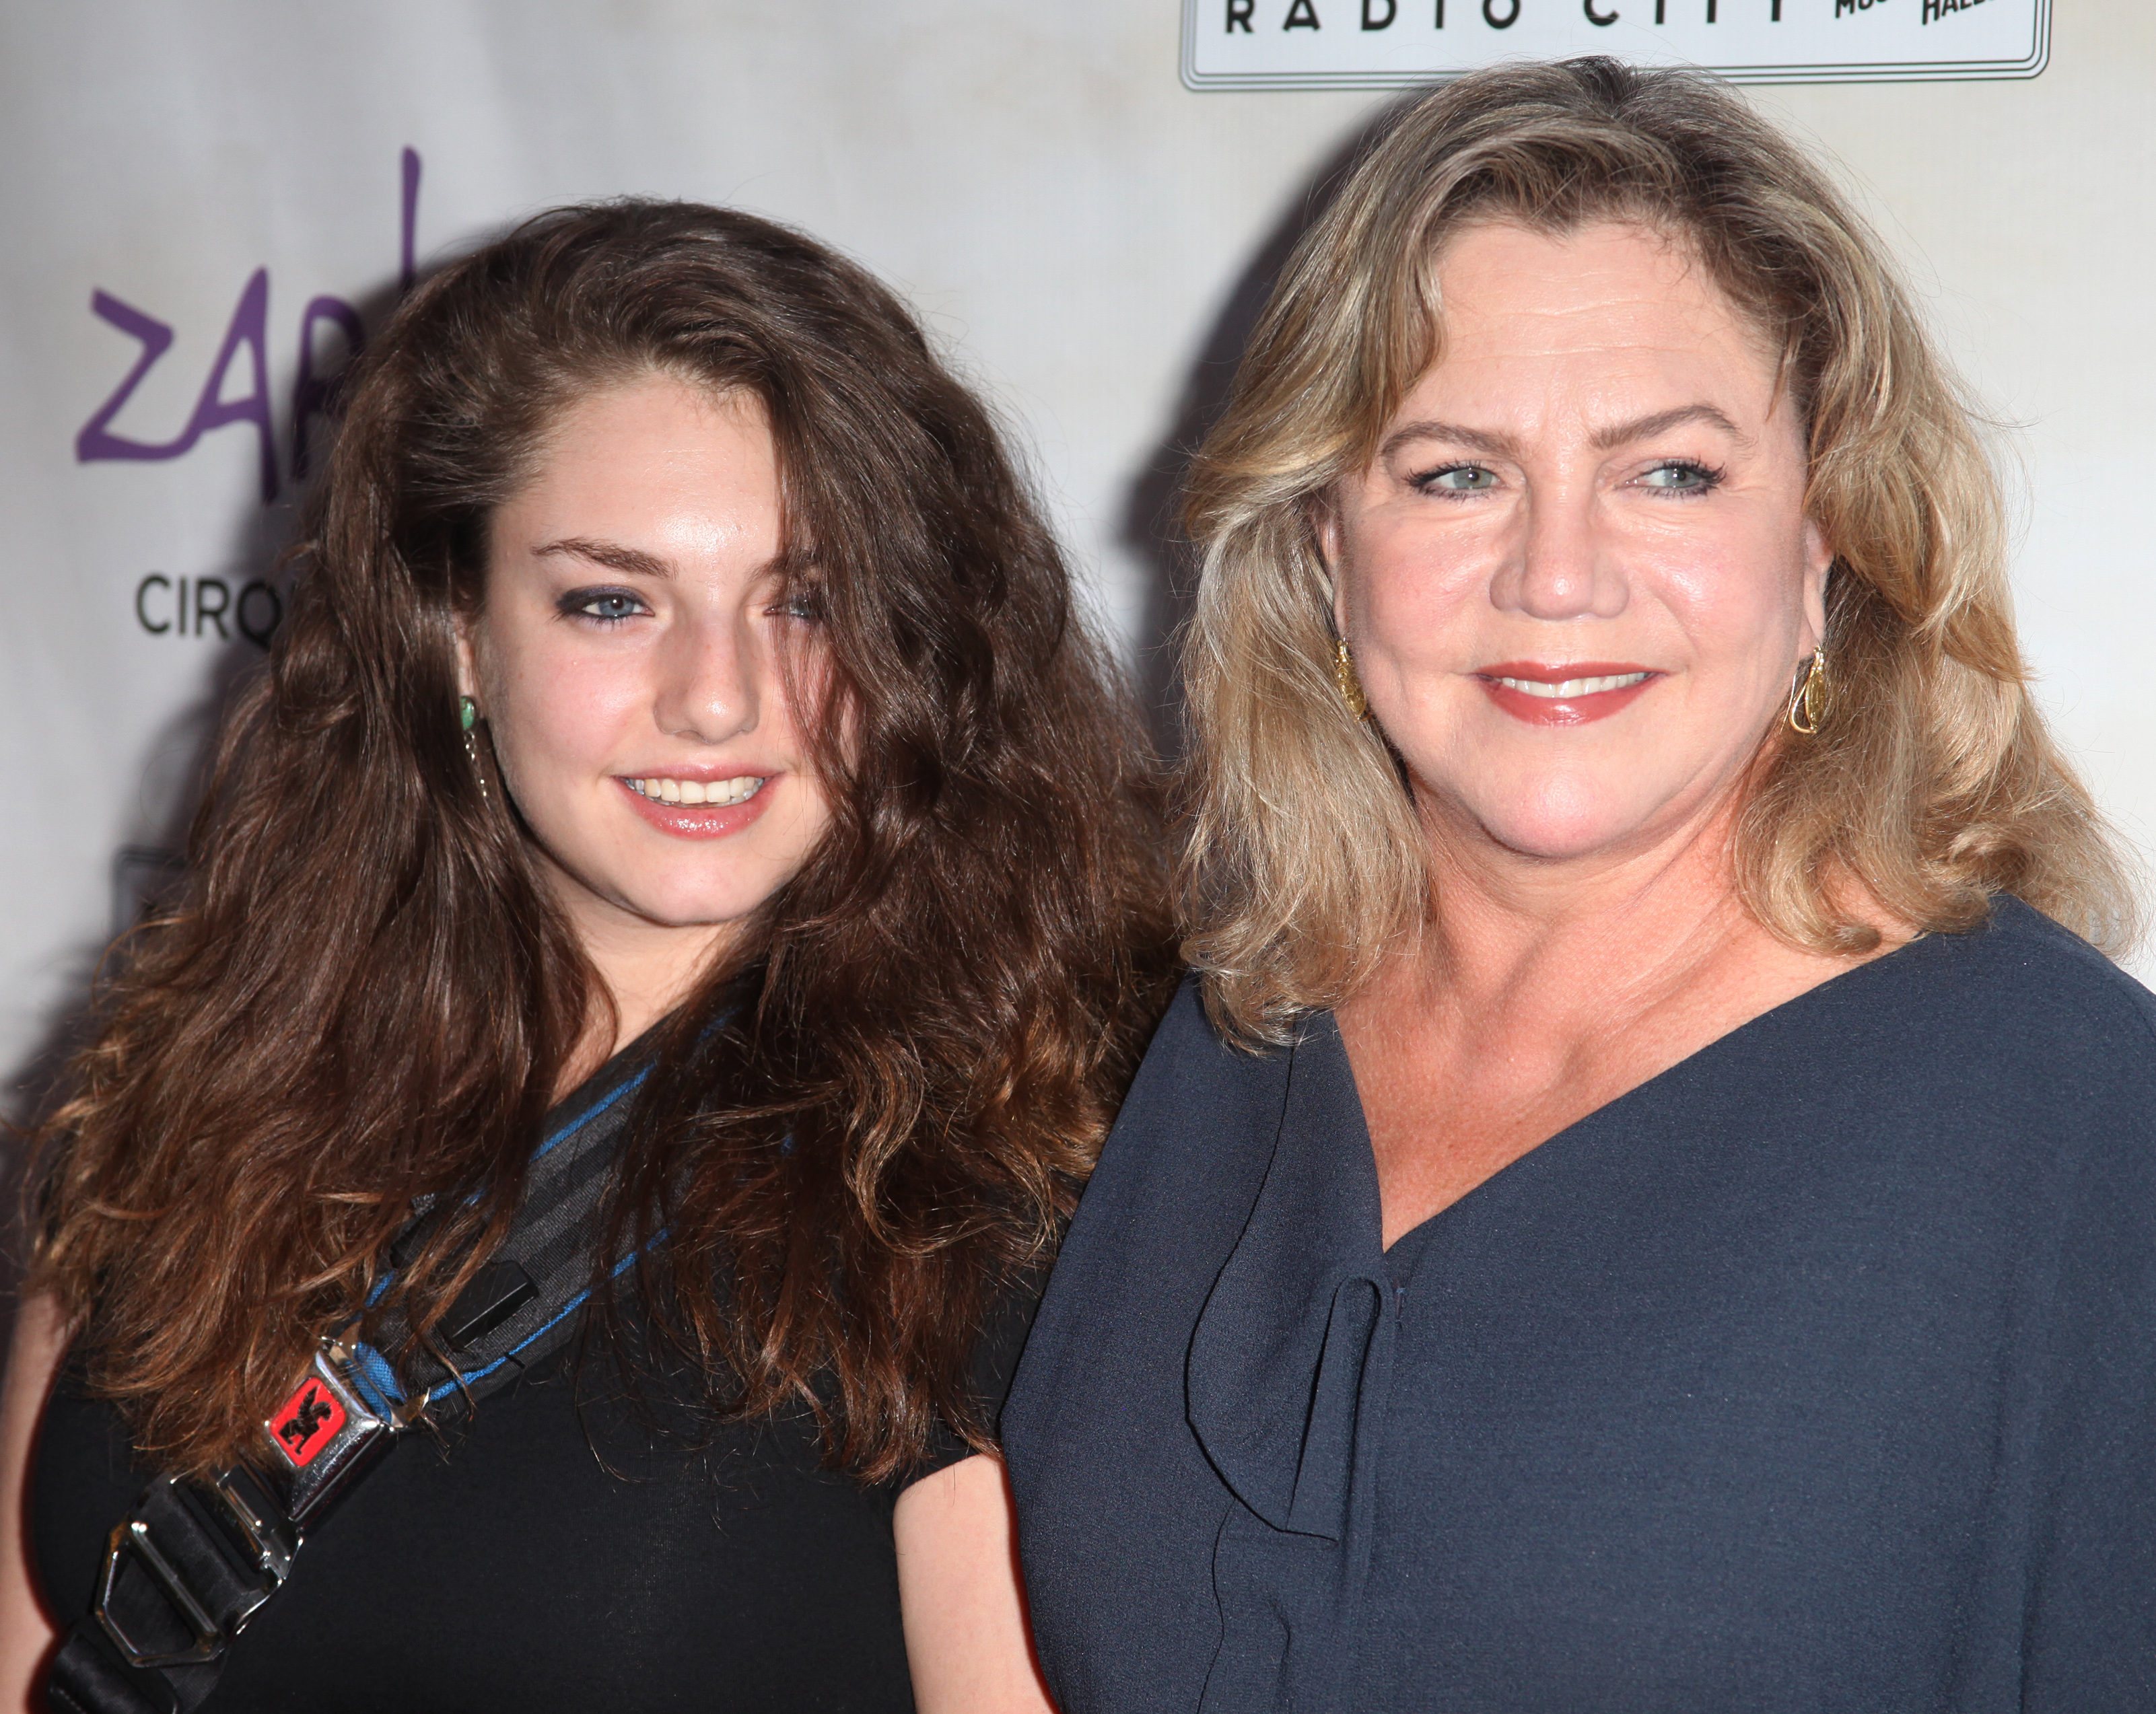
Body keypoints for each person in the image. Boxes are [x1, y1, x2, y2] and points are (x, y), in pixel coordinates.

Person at [1003, 57, 2156, 1714]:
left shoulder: (2077, 1131)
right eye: (1454, 471)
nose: (1557, 574)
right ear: (1326, 549)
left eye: (1669, 471)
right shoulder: (1213, 1037)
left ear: (1826, 542)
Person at [1, 200, 1170, 1712]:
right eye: (612, 600)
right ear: (459, 636)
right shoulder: (192, 1071)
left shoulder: (1009, 1192)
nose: (716, 696)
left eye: (802, 601)